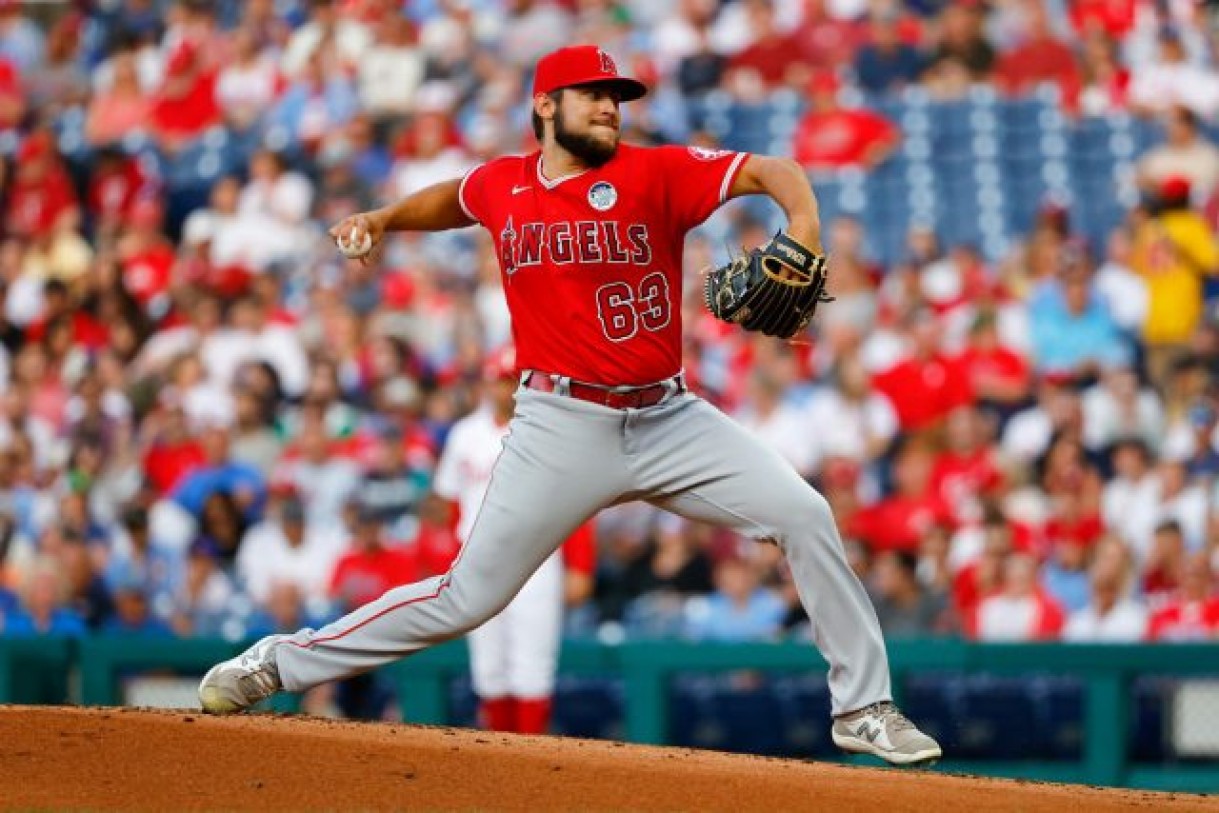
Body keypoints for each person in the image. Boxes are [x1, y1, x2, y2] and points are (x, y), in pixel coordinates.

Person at [198, 44, 941, 766]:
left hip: (669, 417)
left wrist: (803, 226)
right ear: (544, 104)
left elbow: (777, 171)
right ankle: (279, 663)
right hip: (560, 423)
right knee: (466, 598)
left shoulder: (657, 172)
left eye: (616, 97)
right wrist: (385, 218)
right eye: (593, 94)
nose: (610, 108)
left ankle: (863, 706)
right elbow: (451, 200)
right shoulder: (503, 183)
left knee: (804, 513)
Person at [432, 346, 596, 735]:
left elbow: (576, 504)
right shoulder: (465, 435)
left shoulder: (551, 434)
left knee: (532, 666)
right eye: (498, 380)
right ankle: (499, 759)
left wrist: (580, 565)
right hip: (478, 560)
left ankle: (529, 759)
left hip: (535, 561)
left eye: (512, 381)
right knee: (488, 666)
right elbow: (452, 507)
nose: (503, 389)